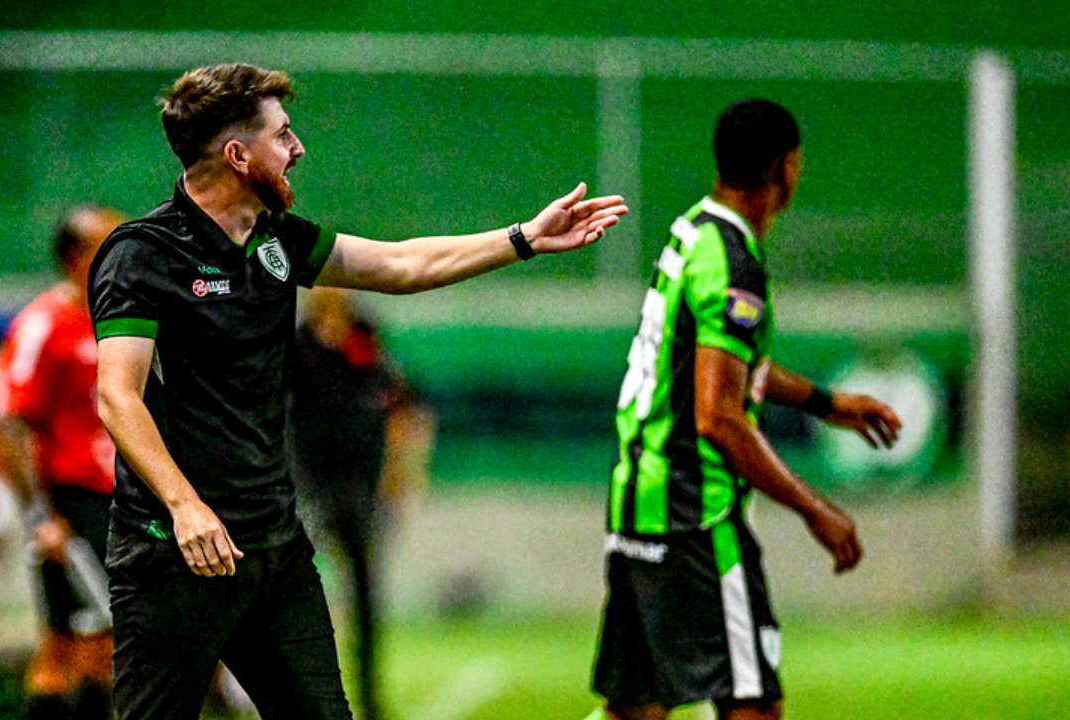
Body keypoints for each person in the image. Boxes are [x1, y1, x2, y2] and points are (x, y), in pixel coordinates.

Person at [88, 62, 626, 720]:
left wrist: (523, 239)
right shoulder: (141, 255)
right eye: (282, 135)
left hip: (273, 551)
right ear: (237, 154)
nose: (297, 149)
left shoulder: (276, 239)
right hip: (174, 556)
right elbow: (119, 397)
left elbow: (401, 264)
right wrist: (184, 505)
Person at [586, 99, 903, 720]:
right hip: (694, 519)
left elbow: (718, 367)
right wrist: (816, 510)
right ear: (786, 168)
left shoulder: (693, 234)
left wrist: (826, 402)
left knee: (636, 710)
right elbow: (719, 414)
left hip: (638, 508)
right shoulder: (734, 263)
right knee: (754, 704)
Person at [0, 205, 125, 719]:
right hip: (72, 499)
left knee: (94, 644)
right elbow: (11, 424)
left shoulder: (117, 320)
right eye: (107, 246)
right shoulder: (43, 324)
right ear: (76, 258)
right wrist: (40, 515)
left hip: (116, 497)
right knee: (75, 643)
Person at [289, 287, 433, 720]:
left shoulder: (366, 338)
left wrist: (402, 474)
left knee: (366, 599)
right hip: (308, 487)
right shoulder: (297, 346)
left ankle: (370, 697)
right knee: (292, 594)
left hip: (360, 488)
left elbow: (404, 407)